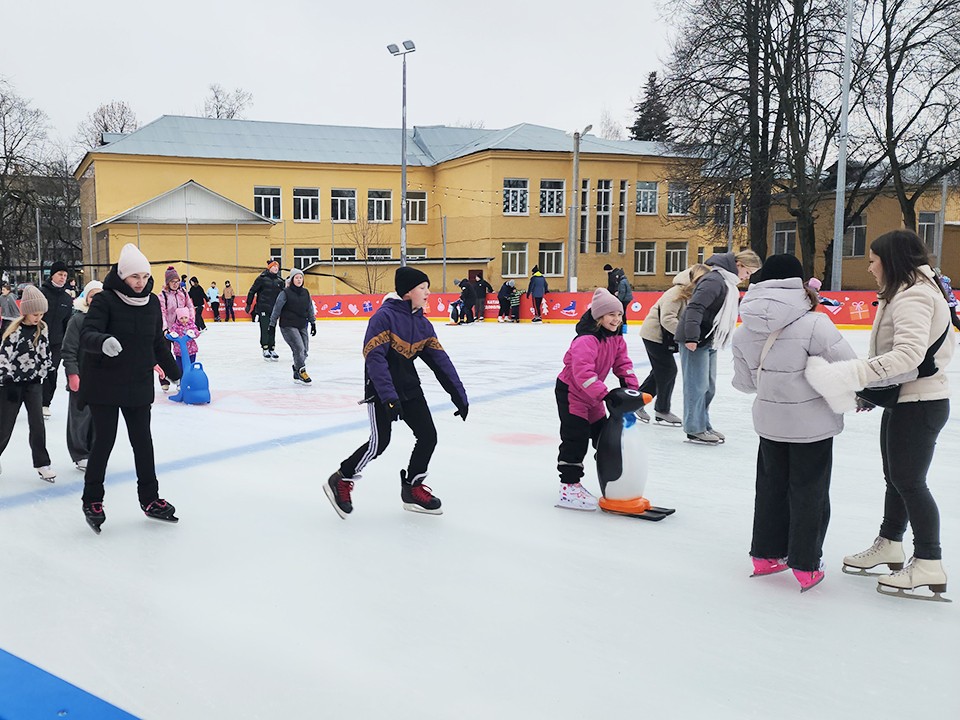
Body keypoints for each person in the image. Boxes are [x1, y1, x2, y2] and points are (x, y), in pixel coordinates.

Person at [805, 230, 954, 599]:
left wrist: (854, 375)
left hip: (921, 403)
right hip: (906, 399)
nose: (870, 268)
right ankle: (890, 542)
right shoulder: (909, 290)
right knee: (897, 478)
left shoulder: (915, 295)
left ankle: (929, 562)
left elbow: (909, 356)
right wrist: (872, 392)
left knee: (910, 481)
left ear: (890, 260)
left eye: (873, 260)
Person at [731, 255, 857, 592]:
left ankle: (765, 555)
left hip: (770, 423)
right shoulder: (815, 324)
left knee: (771, 489)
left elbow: (744, 384)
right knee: (809, 492)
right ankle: (805, 563)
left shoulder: (745, 330)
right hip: (812, 426)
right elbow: (849, 368)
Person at [324, 267, 469, 519]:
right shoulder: (384, 318)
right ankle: (341, 478)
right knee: (380, 442)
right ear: (407, 292)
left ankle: (412, 488)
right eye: (423, 288)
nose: (428, 292)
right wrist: (388, 397)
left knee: (428, 436)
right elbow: (375, 359)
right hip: (381, 390)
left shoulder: (422, 323)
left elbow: (440, 361)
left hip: (409, 388)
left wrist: (458, 394)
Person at [78, 244, 182, 534]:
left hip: (137, 382)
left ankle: (149, 500)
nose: (140, 281)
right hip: (105, 383)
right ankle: (92, 500)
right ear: (122, 275)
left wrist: (175, 373)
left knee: (143, 443)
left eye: (145, 276)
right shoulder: (105, 301)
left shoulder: (150, 303)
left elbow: (157, 342)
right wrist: (102, 341)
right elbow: (87, 333)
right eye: (134, 276)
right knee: (105, 442)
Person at [555, 288, 639, 511]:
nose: (616, 319)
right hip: (572, 393)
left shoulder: (617, 339)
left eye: (619, 315)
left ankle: (614, 483)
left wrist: (632, 391)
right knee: (576, 437)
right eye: (611, 315)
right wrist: (606, 395)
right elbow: (583, 373)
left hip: (592, 395)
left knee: (604, 438)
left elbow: (624, 365)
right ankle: (569, 487)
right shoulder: (586, 340)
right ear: (599, 316)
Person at [675, 249, 763, 444]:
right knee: (696, 386)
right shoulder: (714, 281)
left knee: (709, 387)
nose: (746, 278)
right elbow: (695, 307)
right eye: (747, 272)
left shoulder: (726, 283)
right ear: (738, 265)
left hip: (709, 339)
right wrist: (692, 337)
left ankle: (703, 424)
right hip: (696, 339)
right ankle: (694, 428)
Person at [637, 264, 710, 425]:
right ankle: (662, 410)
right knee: (668, 370)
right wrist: (688, 336)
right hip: (654, 336)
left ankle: (636, 402)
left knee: (660, 372)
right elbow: (667, 318)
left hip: (664, 337)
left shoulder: (691, 293)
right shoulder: (677, 292)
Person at [0, 285, 55, 482]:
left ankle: (42, 463)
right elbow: (3, 357)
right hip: (12, 385)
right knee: (4, 426)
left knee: (38, 424)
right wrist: (6, 378)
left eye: (41, 313)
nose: (38, 317)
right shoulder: (14, 332)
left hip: (33, 383)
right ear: (25, 312)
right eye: (34, 314)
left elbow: (45, 353)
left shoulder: (42, 330)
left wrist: (49, 371)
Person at [61, 280, 103, 472]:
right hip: (81, 375)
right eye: (92, 295)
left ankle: (95, 450)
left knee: (99, 417)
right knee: (79, 416)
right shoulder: (77, 319)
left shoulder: (107, 319)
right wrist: (72, 373)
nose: (96, 299)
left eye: (99, 295)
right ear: (86, 298)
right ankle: (80, 454)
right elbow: (68, 349)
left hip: (102, 377)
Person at [269, 267, 316, 384]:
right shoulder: (285, 293)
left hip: (301, 325)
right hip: (288, 325)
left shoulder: (305, 292)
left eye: (301, 278)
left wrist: (313, 322)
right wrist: (272, 324)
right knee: (299, 348)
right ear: (292, 279)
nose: (299, 280)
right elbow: (277, 308)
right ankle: (302, 371)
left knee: (304, 350)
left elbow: (310, 308)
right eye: (297, 278)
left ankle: (296, 370)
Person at [39, 260, 73, 419]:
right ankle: (25, 400)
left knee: (51, 372)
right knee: (34, 371)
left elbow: (67, 323)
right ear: (52, 275)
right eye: (60, 274)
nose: (63, 277)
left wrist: (67, 342)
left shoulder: (67, 299)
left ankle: (45, 403)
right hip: (37, 340)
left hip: (56, 343)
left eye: (65, 275)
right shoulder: (42, 293)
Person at [158, 266, 192, 392]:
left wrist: (190, 323)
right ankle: (164, 379)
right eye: (173, 282)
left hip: (181, 329)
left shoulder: (183, 293)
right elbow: (161, 312)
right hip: (167, 330)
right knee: (165, 355)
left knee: (181, 355)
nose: (175, 284)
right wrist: (165, 329)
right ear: (168, 282)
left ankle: (181, 379)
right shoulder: (162, 296)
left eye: (177, 281)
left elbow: (190, 307)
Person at [245, 260, 285, 359]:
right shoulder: (261, 279)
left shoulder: (280, 281)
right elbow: (252, 291)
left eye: (277, 267)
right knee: (265, 328)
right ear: (269, 268)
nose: (276, 268)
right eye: (274, 266)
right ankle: (265, 348)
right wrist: (248, 304)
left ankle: (272, 348)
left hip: (274, 309)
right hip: (263, 307)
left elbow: (284, 295)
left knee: (272, 328)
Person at [168, 307, 199, 379]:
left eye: (186, 317)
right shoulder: (175, 326)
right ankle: (181, 381)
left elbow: (197, 332)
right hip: (179, 351)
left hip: (191, 351)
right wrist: (172, 334)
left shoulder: (191, 325)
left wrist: (193, 333)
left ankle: (190, 380)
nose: (184, 320)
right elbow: (172, 332)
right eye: (181, 318)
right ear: (178, 318)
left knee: (190, 367)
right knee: (180, 368)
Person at [614, 268, 634, 334]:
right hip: (627, 299)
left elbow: (622, 292)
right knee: (623, 312)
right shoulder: (625, 280)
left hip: (624, 299)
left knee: (622, 313)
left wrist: (619, 299)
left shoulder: (622, 282)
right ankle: (624, 327)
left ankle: (622, 328)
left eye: (617, 275)